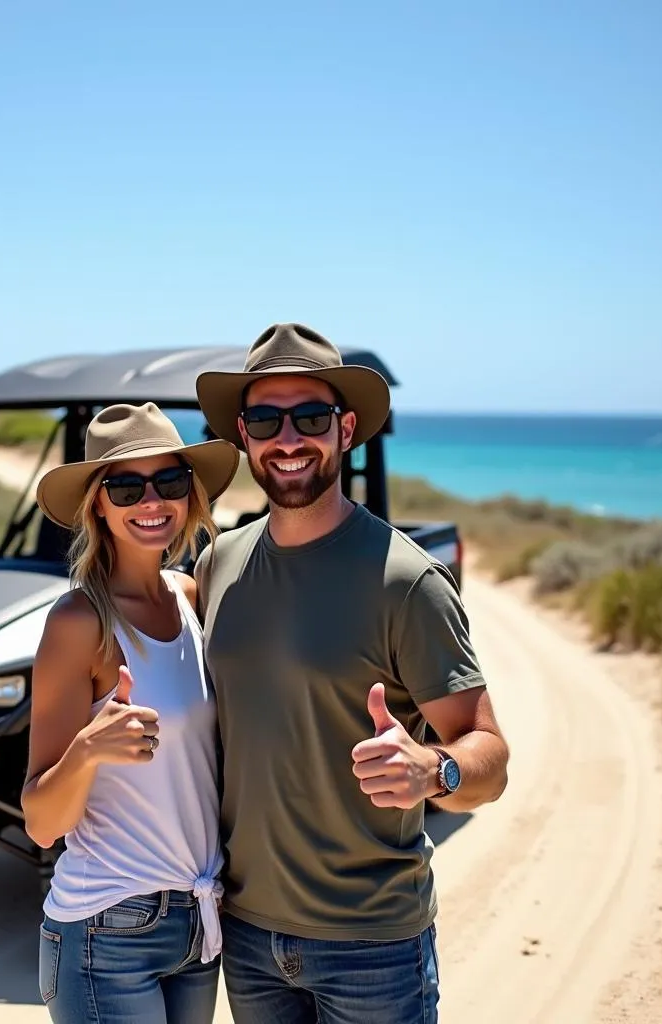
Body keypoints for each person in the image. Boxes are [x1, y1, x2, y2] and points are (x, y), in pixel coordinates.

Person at [192, 323, 510, 1024]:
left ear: (346, 428)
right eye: (266, 420)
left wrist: (434, 773)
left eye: (310, 416)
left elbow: (490, 756)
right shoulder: (218, 566)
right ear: (243, 435)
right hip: (246, 936)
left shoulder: (406, 580)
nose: (289, 439)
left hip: (372, 947)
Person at [22, 401, 240, 1024]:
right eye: (125, 486)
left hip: (198, 922)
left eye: (168, 481)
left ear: (190, 495)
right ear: (97, 504)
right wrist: (88, 749)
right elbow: (41, 821)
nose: (151, 501)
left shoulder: (192, 596)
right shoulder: (79, 622)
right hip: (107, 927)